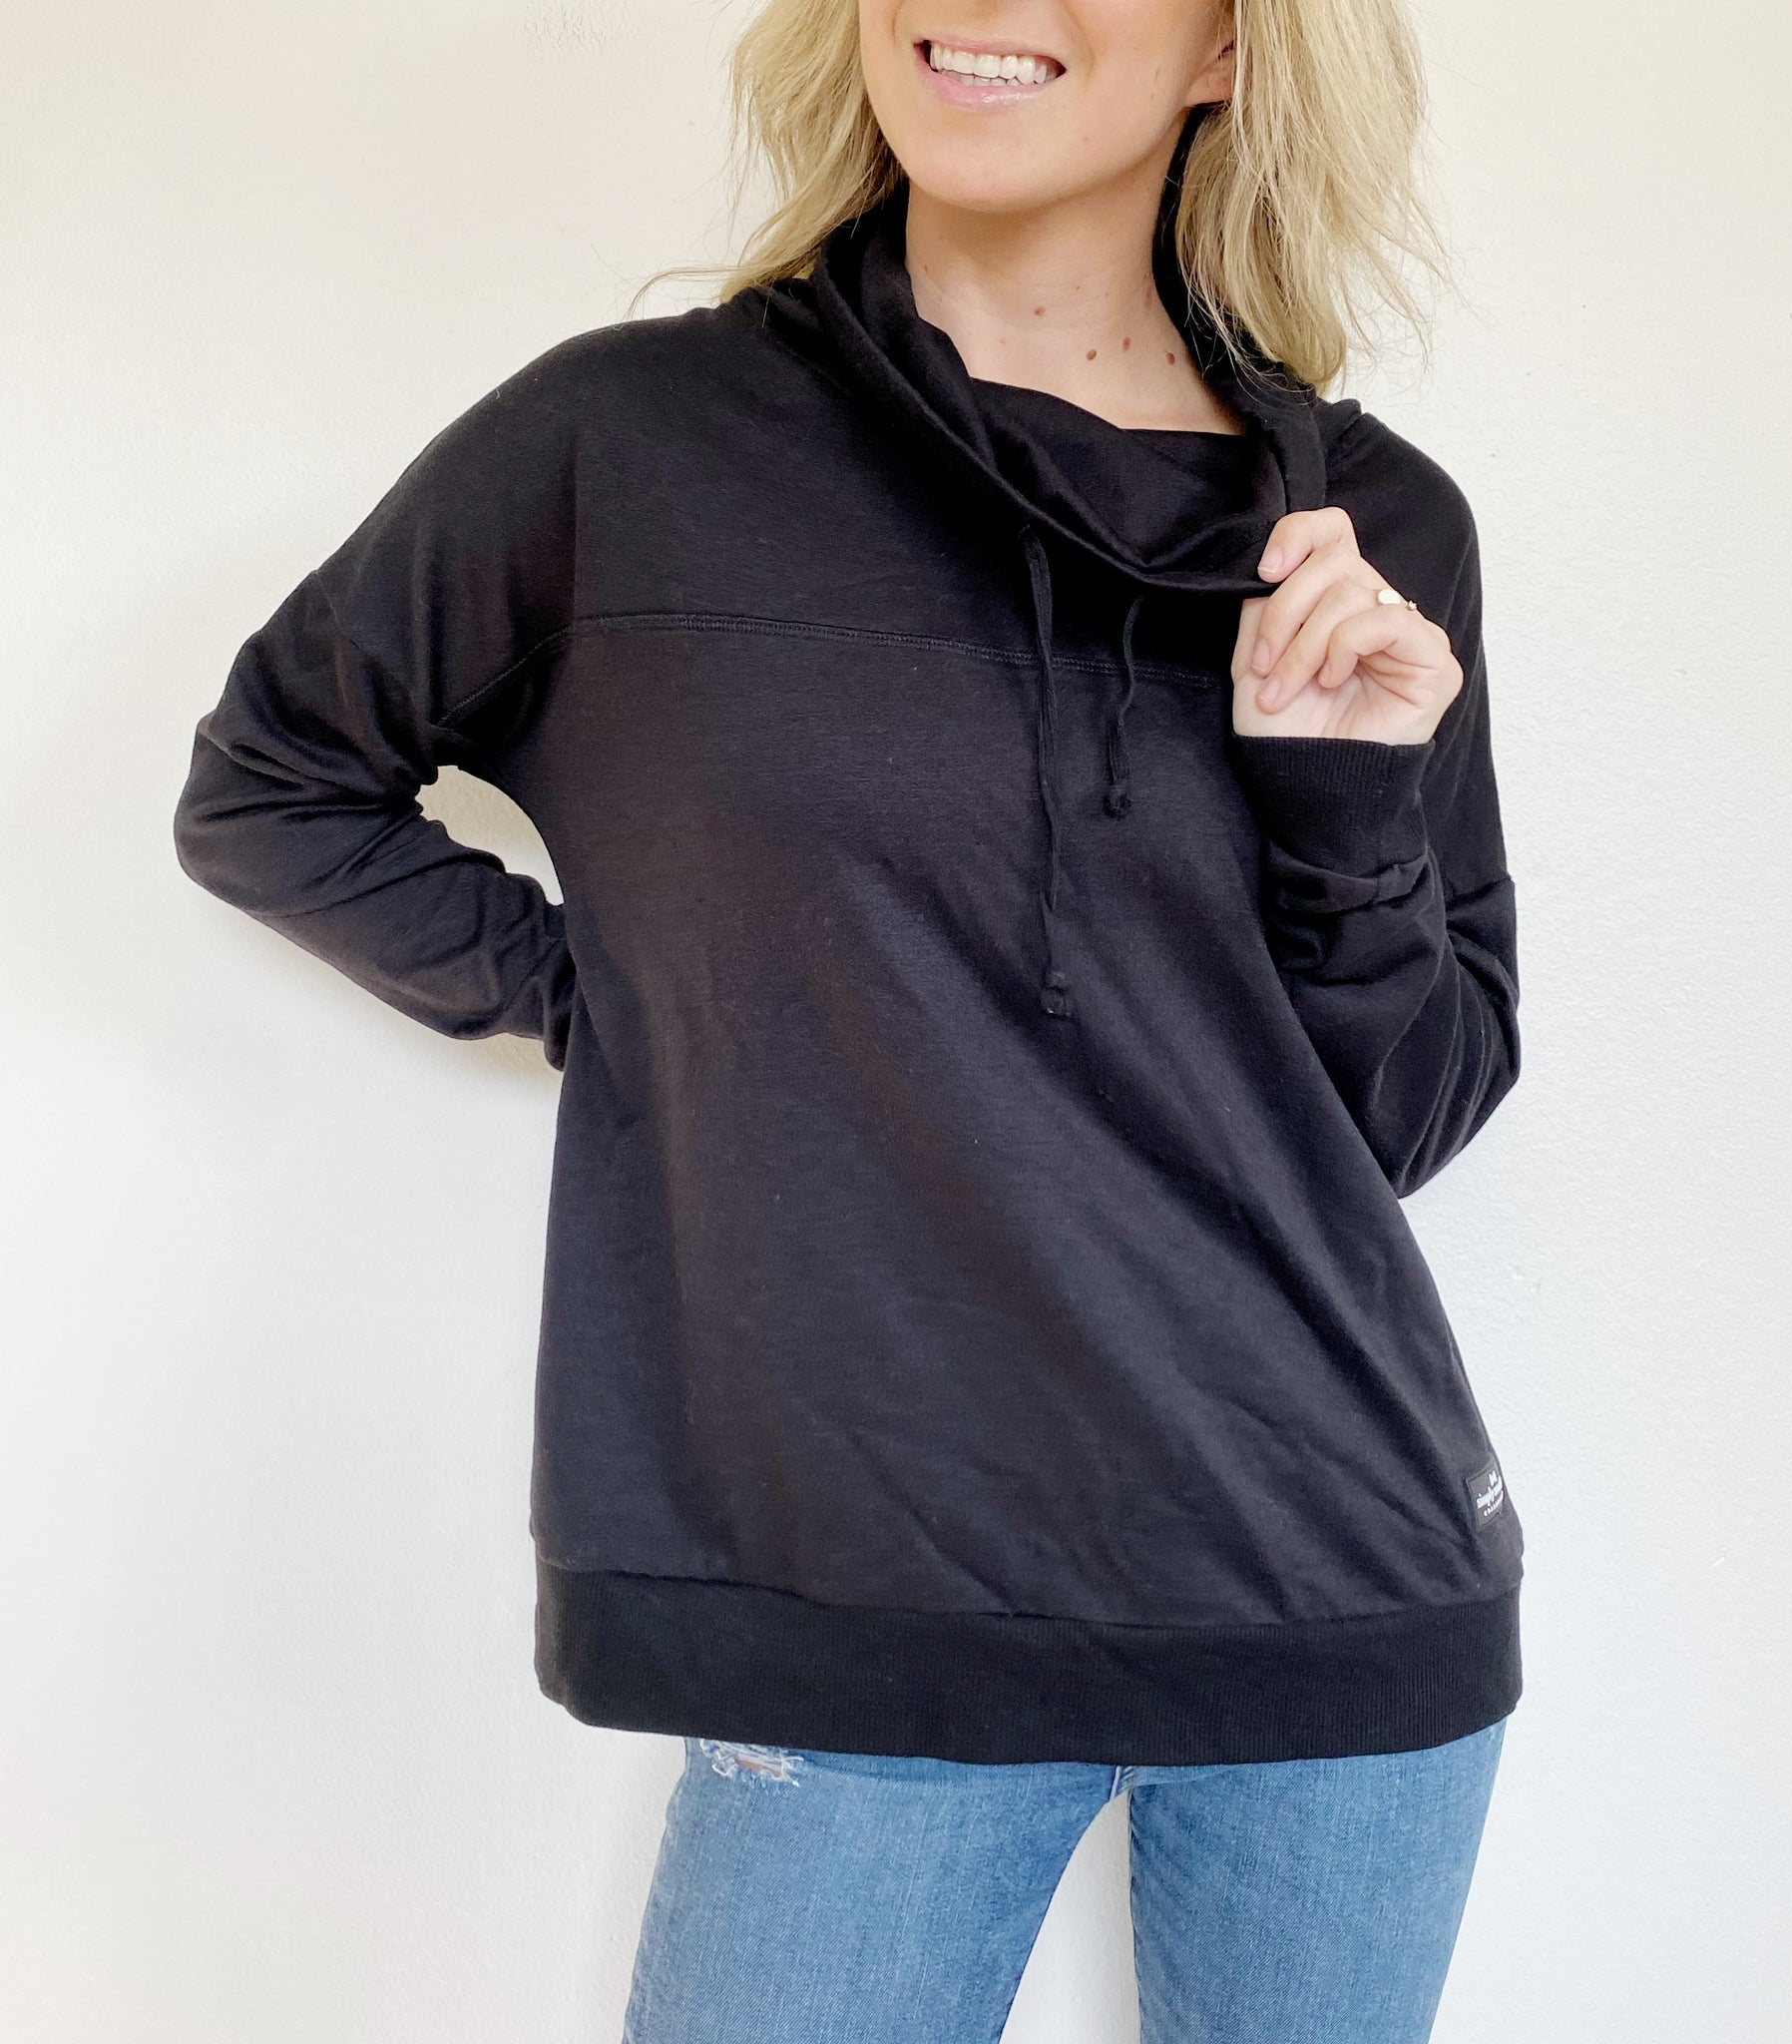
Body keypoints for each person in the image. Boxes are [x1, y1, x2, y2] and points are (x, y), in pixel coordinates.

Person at [172, 0, 1525, 2034]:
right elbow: (273, 785)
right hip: (857, 1590)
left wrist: (1342, 808)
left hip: (1340, 1587)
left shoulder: (1373, 531)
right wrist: (630, 994)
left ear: (1231, 51)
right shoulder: (627, 447)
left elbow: (1403, 1115)